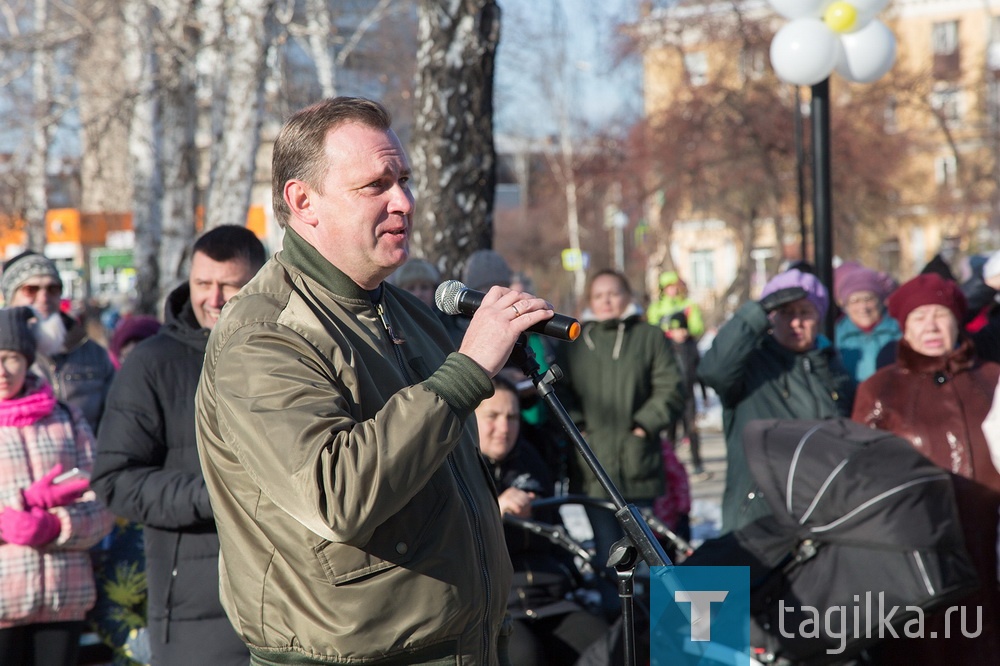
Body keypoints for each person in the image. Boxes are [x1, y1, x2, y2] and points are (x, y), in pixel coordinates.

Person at [195, 96, 554, 665]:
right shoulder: (263, 334)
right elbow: (336, 495)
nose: (404, 202)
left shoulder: (404, 312)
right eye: (375, 185)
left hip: (463, 645)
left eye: (405, 180)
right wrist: (465, 372)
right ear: (302, 200)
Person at [91, 225, 266, 666]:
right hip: (193, 610)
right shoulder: (152, 364)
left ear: (262, 281)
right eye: (203, 284)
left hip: (292, 599)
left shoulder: (292, 353)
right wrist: (216, 496)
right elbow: (115, 481)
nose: (214, 298)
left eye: (230, 285)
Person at [851, 272, 1000, 664]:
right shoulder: (879, 390)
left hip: (990, 551)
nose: (931, 325)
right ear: (903, 327)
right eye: (919, 317)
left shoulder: (992, 378)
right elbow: (859, 478)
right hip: (915, 562)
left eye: (940, 314)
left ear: (957, 320)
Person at [697, 269, 854, 534]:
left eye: (805, 313)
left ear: (819, 317)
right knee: (730, 576)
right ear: (770, 318)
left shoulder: (832, 367)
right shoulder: (750, 364)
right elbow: (712, 370)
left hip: (823, 513)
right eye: (785, 313)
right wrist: (756, 311)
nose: (796, 323)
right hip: (757, 516)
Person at [0, 306, 114, 666]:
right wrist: (13, 513)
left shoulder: (66, 418)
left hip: (64, 599)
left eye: (11, 358)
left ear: (28, 359)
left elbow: (103, 504)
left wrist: (56, 525)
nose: (2, 371)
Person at [476, 375, 608, 666]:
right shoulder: (458, 469)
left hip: (548, 597)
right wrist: (493, 510)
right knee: (524, 656)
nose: (504, 428)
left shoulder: (529, 459)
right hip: (494, 605)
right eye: (492, 416)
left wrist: (573, 576)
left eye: (512, 417)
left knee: (608, 647)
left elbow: (555, 529)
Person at [556, 269, 684, 504]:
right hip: (592, 464)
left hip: (639, 462)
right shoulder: (574, 342)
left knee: (640, 540)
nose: (606, 300)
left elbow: (671, 387)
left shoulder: (649, 337)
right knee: (605, 540)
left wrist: (644, 426)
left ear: (627, 296)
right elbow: (559, 391)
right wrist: (579, 429)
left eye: (613, 293)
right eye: (598, 295)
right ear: (590, 301)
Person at [1, 251, 116, 433]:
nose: (43, 297)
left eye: (52, 289)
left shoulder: (93, 353)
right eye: (31, 290)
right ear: (10, 298)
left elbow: (116, 416)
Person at [832, 262, 900, 384]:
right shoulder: (836, 335)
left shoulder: (899, 330)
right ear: (845, 305)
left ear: (881, 300)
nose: (863, 307)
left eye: (868, 299)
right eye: (854, 301)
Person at [663, 310, 706, 478]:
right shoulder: (666, 348)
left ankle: (697, 464)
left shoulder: (691, 346)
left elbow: (699, 371)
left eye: (683, 329)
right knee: (671, 433)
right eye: (677, 330)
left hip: (688, 397)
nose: (681, 333)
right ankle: (668, 465)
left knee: (692, 431)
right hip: (672, 397)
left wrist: (703, 394)